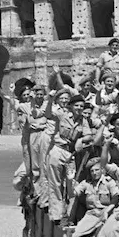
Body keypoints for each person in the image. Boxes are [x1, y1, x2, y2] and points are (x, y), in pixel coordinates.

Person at [57, 157, 119, 237]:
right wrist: (69, 181)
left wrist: (108, 211)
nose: (94, 173)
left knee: (102, 236)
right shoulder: (86, 183)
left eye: (96, 170)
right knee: (76, 236)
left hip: (107, 213)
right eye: (92, 171)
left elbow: (116, 198)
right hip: (91, 215)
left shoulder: (109, 182)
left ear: (102, 170)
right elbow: (73, 194)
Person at [45, 92, 94, 223]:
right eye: (77, 105)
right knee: (55, 183)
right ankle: (56, 215)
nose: (79, 108)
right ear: (71, 106)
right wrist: (50, 100)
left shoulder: (83, 120)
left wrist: (81, 139)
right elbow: (48, 114)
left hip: (71, 155)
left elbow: (89, 135)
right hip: (58, 151)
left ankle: (69, 215)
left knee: (71, 185)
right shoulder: (62, 115)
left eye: (82, 106)